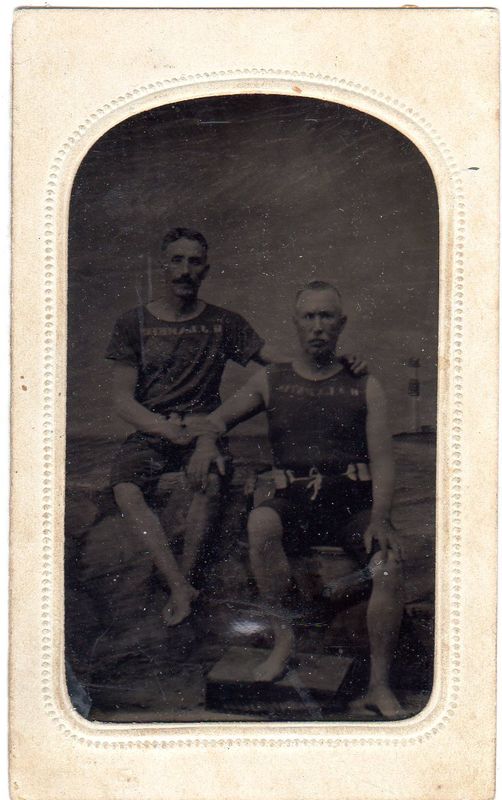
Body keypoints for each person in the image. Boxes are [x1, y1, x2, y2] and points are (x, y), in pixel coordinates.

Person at [190, 280, 405, 719]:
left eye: (327, 316)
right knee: (260, 523)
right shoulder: (272, 379)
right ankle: (284, 641)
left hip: (351, 504)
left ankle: (379, 685)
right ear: (296, 323)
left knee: (387, 565)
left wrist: (380, 517)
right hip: (295, 502)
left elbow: (383, 460)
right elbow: (215, 420)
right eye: (309, 316)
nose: (318, 326)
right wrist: (206, 444)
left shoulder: (364, 384)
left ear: (341, 324)